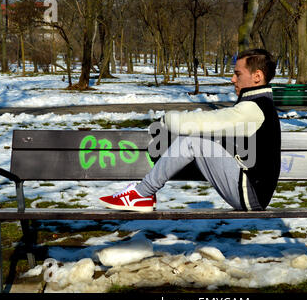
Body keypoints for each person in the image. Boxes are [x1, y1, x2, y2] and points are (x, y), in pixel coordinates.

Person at [99, 49, 281, 212]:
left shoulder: (255, 108)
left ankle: (141, 193)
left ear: (257, 76)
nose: (232, 79)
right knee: (198, 139)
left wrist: (169, 121)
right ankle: (142, 193)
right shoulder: (260, 104)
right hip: (251, 189)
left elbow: (210, 121)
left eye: (237, 73)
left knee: (193, 141)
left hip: (249, 193)